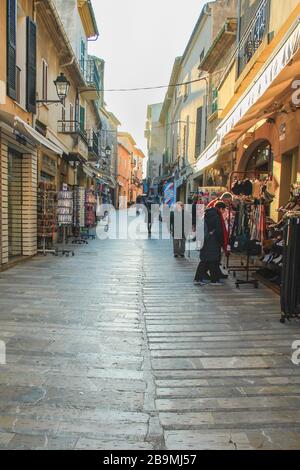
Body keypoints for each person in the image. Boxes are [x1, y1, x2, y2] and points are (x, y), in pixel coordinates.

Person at [194, 201, 228, 286]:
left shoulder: (208, 214)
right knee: (212, 261)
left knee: (206, 261)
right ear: (220, 208)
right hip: (213, 242)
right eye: (223, 210)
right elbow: (219, 231)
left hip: (206, 241)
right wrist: (222, 242)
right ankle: (213, 280)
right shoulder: (216, 216)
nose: (224, 212)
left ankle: (201, 279)